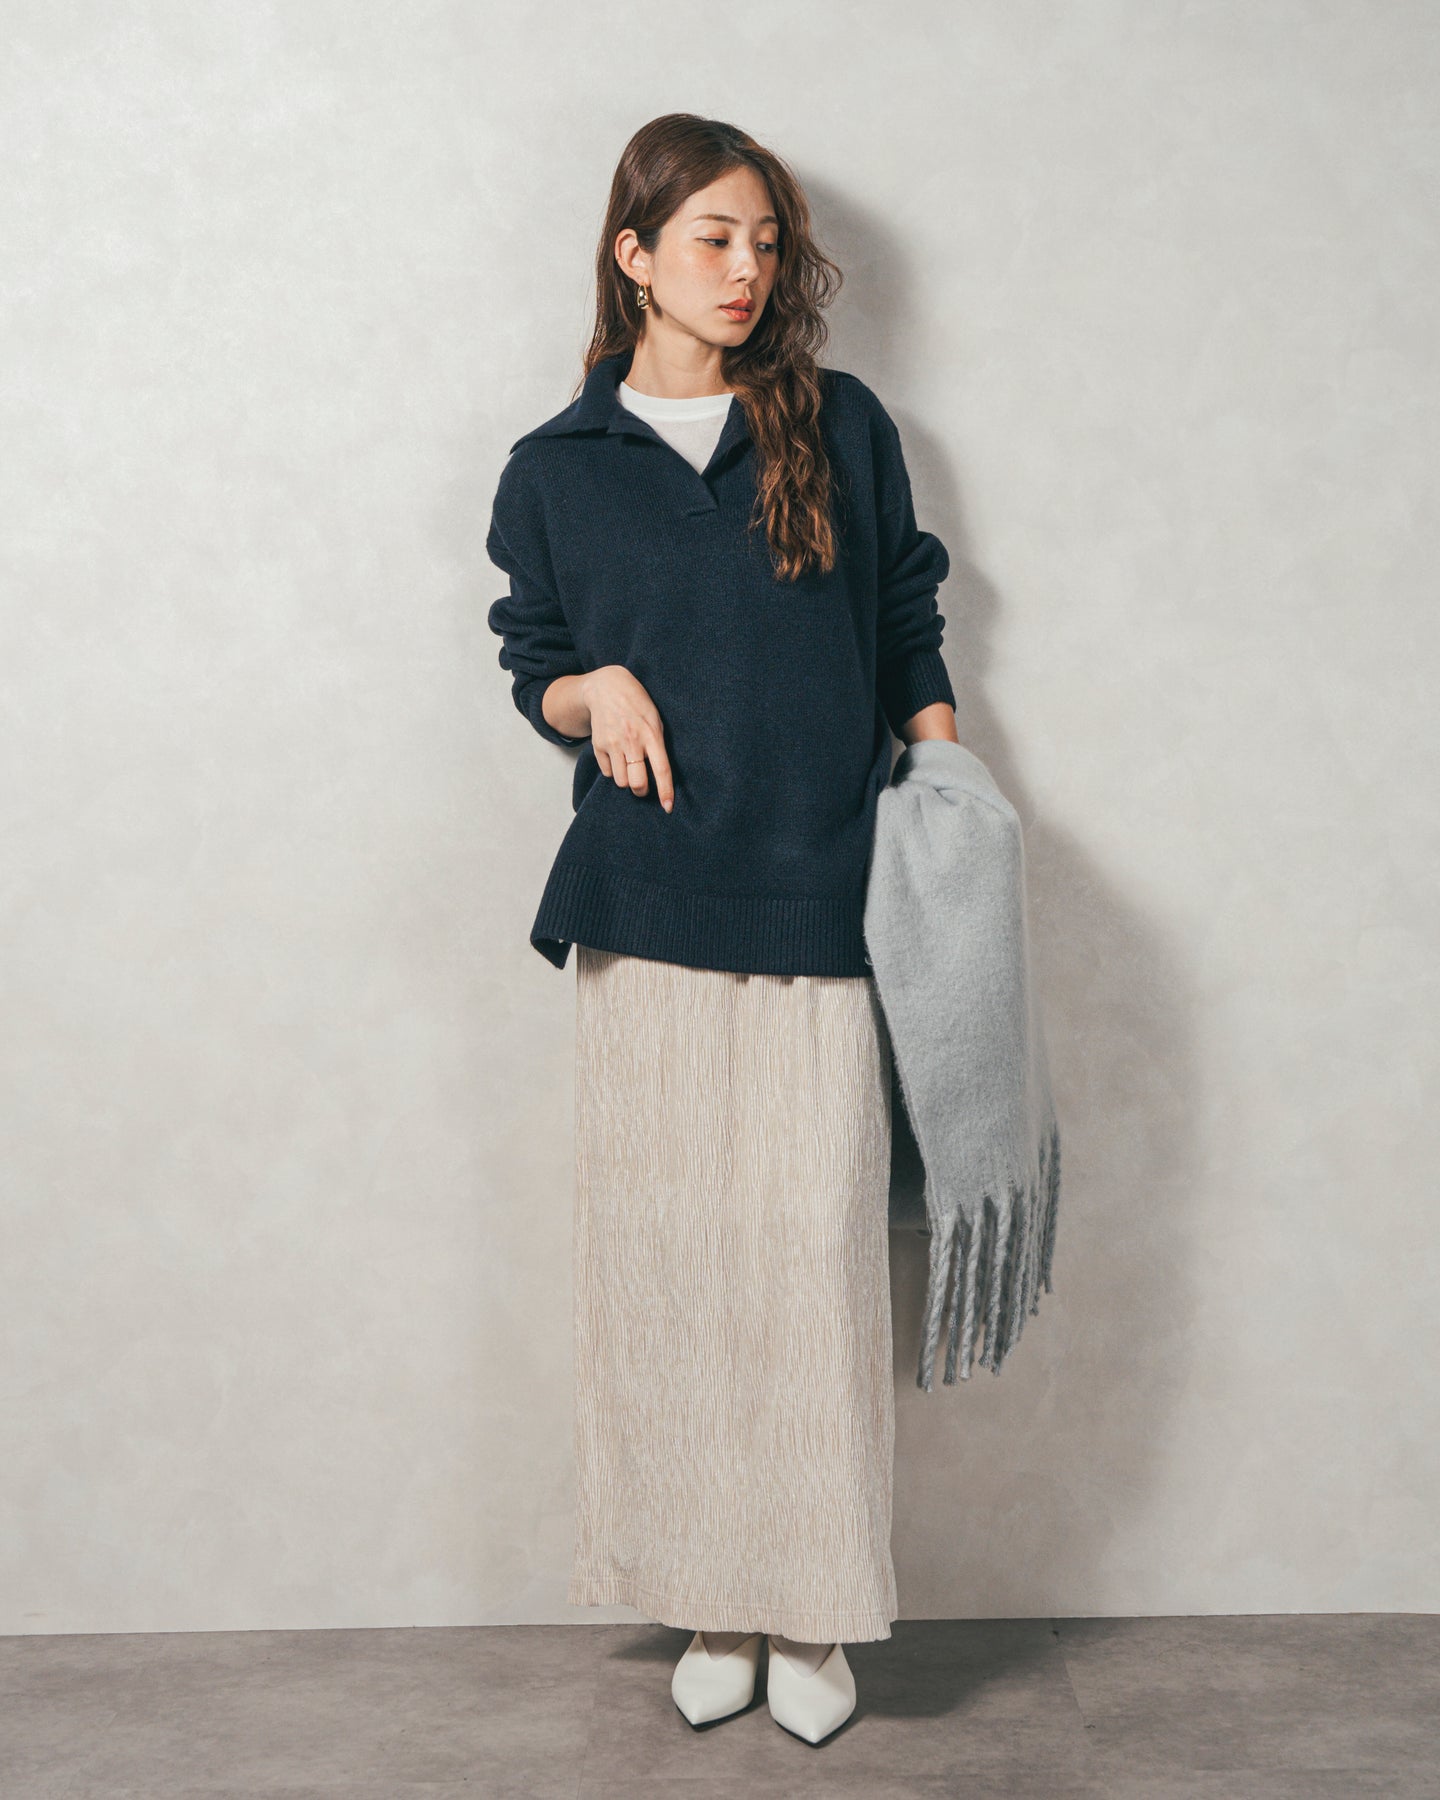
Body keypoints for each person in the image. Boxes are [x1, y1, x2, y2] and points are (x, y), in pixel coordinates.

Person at [485, 113, 961, 1745]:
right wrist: (589, 686)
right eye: (713, 238)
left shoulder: (839, 421)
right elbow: (531, 651)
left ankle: (812, 1603)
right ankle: (711, 1596)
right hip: (642, 903)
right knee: (675, 1267)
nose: (748, 268)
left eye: (767, 241)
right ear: (634, 255)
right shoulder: (556, 467)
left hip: (826, 888)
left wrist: (950, 787)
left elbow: (902, 612)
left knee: (810, 1264)